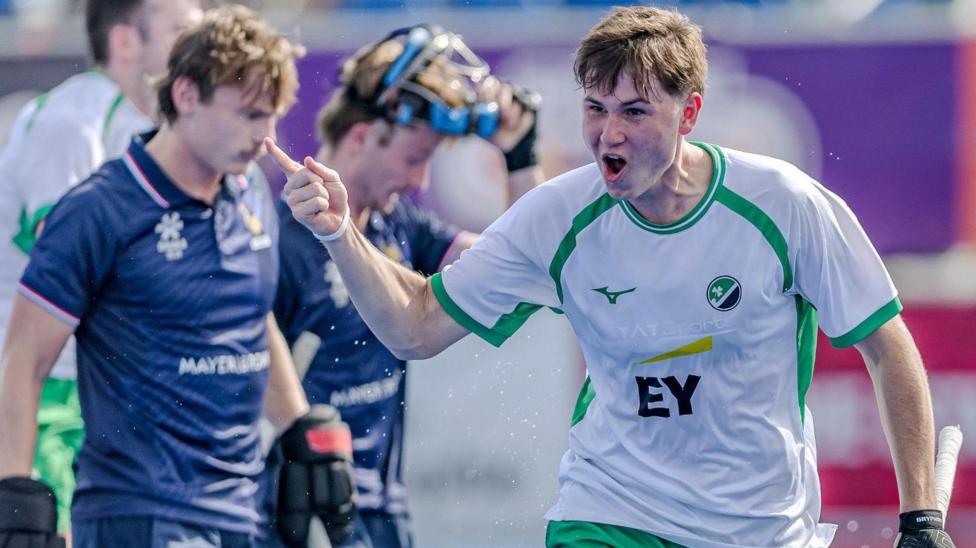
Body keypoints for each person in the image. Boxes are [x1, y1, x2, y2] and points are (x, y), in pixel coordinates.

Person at [267, 6, 955, 548]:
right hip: (609, 513)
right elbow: (414, 329)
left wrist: (920, 516)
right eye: (595, 110)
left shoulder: (784, 203)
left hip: (759, 526)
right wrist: (339, 232)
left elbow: (886, 343)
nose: (609, 135)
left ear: (689, 114)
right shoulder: (558, 215)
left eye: (634, 112)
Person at [0, 6, 353, 547]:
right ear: (187, 97)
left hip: (240, 509)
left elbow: (252, 319)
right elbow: (24, 357)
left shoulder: (251, 190)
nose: (265, 137)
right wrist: (16, 491)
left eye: (273, 116)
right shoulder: (97, 204)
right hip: (139, 510)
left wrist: (298, 428)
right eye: (249, 115)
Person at [272, 24, 543, 548]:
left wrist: (519, 156)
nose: (421, 182)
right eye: (415, 159)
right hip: (297, 509)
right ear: (362, 136)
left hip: (382, 513)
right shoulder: (281, 238)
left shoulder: (401, 227)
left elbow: (523, 271)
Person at [0, 0, 202, 533]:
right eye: (183, 30)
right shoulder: (70, 122)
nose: (202, 44)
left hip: (112, 390)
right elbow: (69, 270)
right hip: (49, 392)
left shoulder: (154, 128)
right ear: (125, 42)